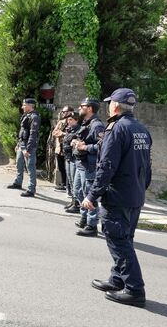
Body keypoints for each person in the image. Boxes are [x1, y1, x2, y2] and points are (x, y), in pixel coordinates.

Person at [83, 88, 151, 307]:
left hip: (118, 197)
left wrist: (92, 195)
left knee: (118, 241)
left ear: (114, 106)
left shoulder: (116, 130)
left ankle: (135, 290)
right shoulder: (141, 129)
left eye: (109, 103)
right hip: (135, 195)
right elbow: (147, 167)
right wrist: (141, 189)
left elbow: (106, 166)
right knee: (126, 239)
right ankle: (117, 279)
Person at [72, 98, 105, 236]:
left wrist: (84, 146)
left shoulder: (97, 125)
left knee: (89, 195)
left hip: (89, 166)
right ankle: (84, 217)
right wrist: (76, 142)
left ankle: (92, 225)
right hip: (81, 163)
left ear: (90, 108)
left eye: (82, 106)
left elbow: (102, 146)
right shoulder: (86, 123)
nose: (79, 108)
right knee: (78, 191)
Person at [7, 98, 40, 197]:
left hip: (28, 146)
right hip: (22, 145)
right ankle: (18, 182)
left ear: (30, 105)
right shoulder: (26, 115)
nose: (22, 107)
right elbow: (22, 132)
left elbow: (33, 135)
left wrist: (28, 149)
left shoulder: (35, 117)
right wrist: (19, 144)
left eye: (24, 105)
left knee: (30, 168)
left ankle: (31, 189)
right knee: (19, 165)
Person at [52, 106, 75, 192]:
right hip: (60, 149)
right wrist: (62, 133)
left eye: (65, 112)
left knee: (69, 168)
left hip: (69, 149)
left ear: (71, 111)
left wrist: (64, 134)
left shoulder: (74, 121)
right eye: (63, 112)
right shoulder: (61, 122)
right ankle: (64, 184)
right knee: (61, 167)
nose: (63, 113)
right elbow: (54, 132)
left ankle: (69, 186)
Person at [61, 112, 81, 212]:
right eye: (68, 119)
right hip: (68, 157)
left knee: (74, 181)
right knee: (70, 179)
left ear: (76, 120)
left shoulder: (79, 129)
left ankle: (76, 203)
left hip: (73, 158)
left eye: (71, 120)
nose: (68, 121)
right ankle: (73, 201)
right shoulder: (69, 129)